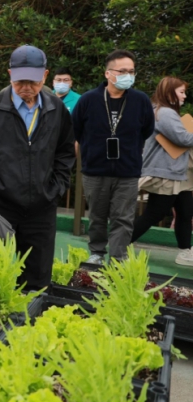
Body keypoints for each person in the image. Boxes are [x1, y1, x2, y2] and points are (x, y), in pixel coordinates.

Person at [0, 45, 75, 290]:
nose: (27, 87)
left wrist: (56, 188)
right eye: (20, 80)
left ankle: (33, 322)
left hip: (42, 206)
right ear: (9, 74)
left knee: (37, 278)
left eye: (33, 81)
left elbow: (65, 152)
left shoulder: (56, 110)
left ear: (45, 76)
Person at [72, 49, 155, 264]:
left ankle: (118, 258)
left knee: (123, 217)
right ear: (108, 73)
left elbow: (146, 129)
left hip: (127, 170)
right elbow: (76, 131)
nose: (128, 75)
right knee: (97, 216)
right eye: (122, 71)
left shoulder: (140, 100)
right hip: (95, 169)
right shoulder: (88, 100)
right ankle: (97, 253)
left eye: (132, 71)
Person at [131, 77, 193, 266]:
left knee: (185, 212)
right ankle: (121, 240)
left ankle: (185, 251)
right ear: (169, 93)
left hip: (177, 172)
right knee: (155, 213)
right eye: (181, 92)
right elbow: (183, 138)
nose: (184, 96)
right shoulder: (164, 112)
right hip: (167, 172)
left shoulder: (160, 111)